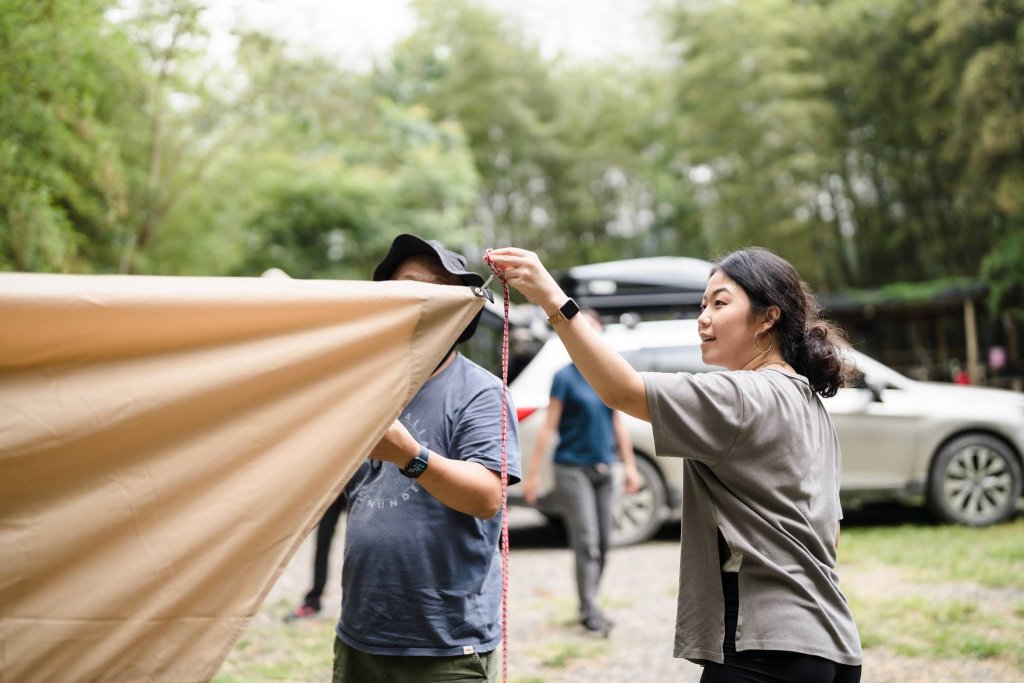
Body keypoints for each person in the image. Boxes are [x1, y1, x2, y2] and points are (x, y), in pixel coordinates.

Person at [486, 246, 863, 682]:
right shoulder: (808, 403)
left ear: (767, 318)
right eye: (702, 304)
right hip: (832, 643)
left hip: (765, 646)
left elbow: (623, 390)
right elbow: (828, 535)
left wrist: (552, 299)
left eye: (720, 303)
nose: (702, 317)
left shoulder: (741, 394)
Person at [331, 234, 522, 683]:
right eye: (408, 287)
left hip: (446, 645)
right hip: (361, 632)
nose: (421, 300)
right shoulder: (360, 386)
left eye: (437, 290)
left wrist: (410, 456)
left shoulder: (481, 392)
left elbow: (486, 497)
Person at [524, 309, 640, 635]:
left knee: (604, 543)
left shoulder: (608, 376)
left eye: (593, 329)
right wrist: (532, 475)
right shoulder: (564, 377)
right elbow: (549, 427)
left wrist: (629, 466)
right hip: (572, 469)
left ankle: (590, 602)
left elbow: (617, 422)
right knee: (586, 541)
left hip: (606, 468)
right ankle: (589, 610)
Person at [283, 490, 345, 622]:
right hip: (336, 483)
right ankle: (313, 601)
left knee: (361, 540)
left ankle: (360, 603)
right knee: (322, 540)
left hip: (364, 481)